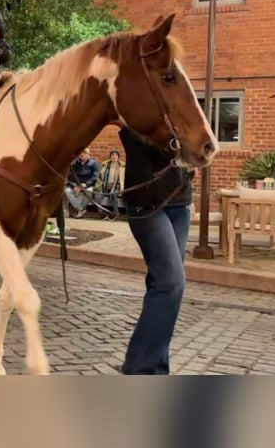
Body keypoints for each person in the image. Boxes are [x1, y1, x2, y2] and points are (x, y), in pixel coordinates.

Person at [115, 121, 195, 375]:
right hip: (146, 205)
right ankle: (141, 368)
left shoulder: (181, 108)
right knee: (171, 282)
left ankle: (158, 365)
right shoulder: (137, 107)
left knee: (162, 284)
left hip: (179, 204)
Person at [63, 148, 100, 218]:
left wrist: (86, 184)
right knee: (67, 191)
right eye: (81, 153)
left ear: (89, 155)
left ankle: (80, 209)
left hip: (88, 185)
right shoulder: (74, 164)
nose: (82, 154)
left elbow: (95, 176)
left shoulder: (94, 164)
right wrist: (74, 186)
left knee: (89, 191)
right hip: (76, 185)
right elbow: (71, 176)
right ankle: (80, 209)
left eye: (84, 153)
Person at [94, 148, 125, 221]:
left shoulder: (122, 166)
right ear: (110, 157)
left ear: (118, 157)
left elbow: (122, 179)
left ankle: (115, 213)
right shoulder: (105, 165)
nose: (114, 157)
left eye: (116, 155)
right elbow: (99, 176)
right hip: (105, 186)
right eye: (112, 155)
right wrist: (98, 186)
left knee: (114, 194)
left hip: (116, 186)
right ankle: (101, 213)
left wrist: (121, 188)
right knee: (97, 195)